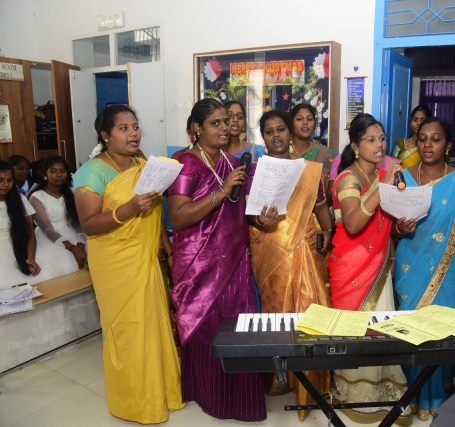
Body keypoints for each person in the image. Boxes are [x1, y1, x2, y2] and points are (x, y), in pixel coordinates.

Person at [74, 105, 184, 423]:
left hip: (146, 258)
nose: (133, 133)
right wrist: (130, 208)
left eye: (135, 126)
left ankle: (162, 394)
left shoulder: (144, 166)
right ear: (105, 135)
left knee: (153, 326)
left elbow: (156, 218)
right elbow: (89, 224)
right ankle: (133, 402)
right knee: (127, 329)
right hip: (115, 263)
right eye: (123, 128)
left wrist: (167, 251)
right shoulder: (92, 172)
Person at [168, 98, 273, 421]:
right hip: (199, 264)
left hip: (235, 260)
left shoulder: (234, 162)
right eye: (216, 123)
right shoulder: (185, 163)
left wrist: (261, 220)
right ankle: (210, 396)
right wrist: (221, 191)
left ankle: (241, 401)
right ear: (196, 128)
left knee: (240, 329)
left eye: (227, 121)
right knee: (207, 331)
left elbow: (243, 210)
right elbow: (178, 217)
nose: (225, 127)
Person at [329, 113, 416, 426]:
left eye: (381, 138)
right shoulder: (348, 179)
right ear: (355, 146)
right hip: (351, 268)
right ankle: (354, 395)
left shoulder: (383, 175)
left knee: (380, 331)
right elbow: (353, 224)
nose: (379, 145)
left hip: (379, 264)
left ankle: (384, 393)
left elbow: (386, 224)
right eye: (370, 140)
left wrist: (402, 227)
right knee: (357, 332)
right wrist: (383, 185)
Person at [394, 117, 455, 421]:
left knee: (443, 332)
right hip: (410, 265)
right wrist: (399, 229)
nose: (428, 144)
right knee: (411, 331)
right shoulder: (402, 178)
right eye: (422, 138)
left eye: (436, 139)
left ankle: (439, 396)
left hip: (452, 268)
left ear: (448, 145)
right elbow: (393, 230)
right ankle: (413, 395)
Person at [249, 109, 333, 420]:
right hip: (271, 248)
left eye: (281, 129)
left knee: (307, 310)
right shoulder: (255, 171)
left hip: (305, 247)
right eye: (269, 131)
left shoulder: (309, 170)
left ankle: (308, 381)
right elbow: (250, 215)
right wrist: (261, 220)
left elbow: (322, 209)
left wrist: (328, 231)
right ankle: (280, 377)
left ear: (290, 132)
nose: (276, 135)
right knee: (278, 312)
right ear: (263, 137)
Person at [0, 160, 57, 289]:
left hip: (19, 249)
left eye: (9, 180)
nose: (5, 184)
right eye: (0, 180)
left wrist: (30, 257)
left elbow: (30, 234)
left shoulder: (19, 199)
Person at [28, 155, 87, 275]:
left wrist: (80, 244)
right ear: (45, 174)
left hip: (75, 233)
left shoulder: (72, 192)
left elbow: (77, 221)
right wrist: (72, 248)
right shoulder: (37, 197)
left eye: (62, 171)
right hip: (50, 238)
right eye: (53, 171)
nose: (59, 175)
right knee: (67, 263)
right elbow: (47, 229)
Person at [289, 103, 337, 194]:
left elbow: (330, 193)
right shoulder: (282, 152)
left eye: (310, 119)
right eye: (299, 119)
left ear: (314, 125)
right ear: (291, 124)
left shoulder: (327, 155)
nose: (305, 122)